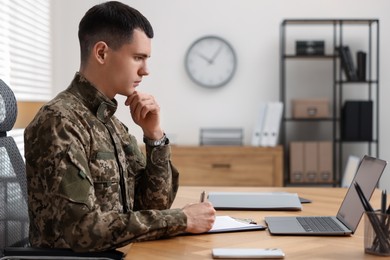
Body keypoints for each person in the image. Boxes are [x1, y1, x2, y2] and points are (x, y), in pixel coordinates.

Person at [24, 1, 215, 253]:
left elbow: (153, 204)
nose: (146, 70)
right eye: (138, 57)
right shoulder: (60, 122)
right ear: (102, 53)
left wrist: (154, 137)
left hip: (124, 253)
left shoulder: (112, 123)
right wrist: (182, 219)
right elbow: (83, 230)